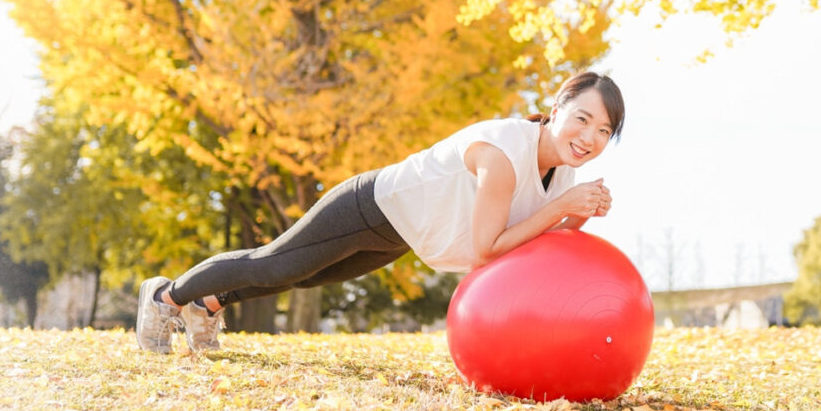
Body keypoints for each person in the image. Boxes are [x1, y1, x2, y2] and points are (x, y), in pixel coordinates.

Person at [136, 71, 625, 353]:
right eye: (582, 119)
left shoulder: (561, 172)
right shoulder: (502, 153)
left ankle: (207, 305)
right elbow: (487, 250)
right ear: (556, 109)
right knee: (276, 263)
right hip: (373, 204)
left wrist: (579, 212)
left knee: (302, 277)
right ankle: (165, 297)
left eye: (604, 131)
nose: (589, 137)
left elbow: (539, 245)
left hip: (402, 233)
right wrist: (565, 206)